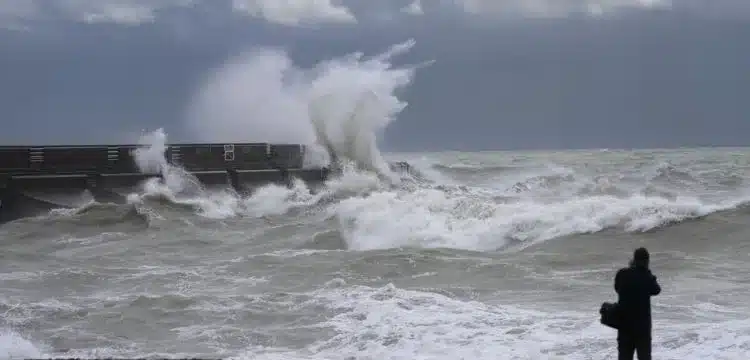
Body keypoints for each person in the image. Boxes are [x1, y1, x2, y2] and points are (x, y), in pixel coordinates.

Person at [614, 247, 661, 360]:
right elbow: (656, 290)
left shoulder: (622, 274)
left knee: (624, 357)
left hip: (624, 325)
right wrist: (648, 272)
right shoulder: (646, 276)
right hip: (642, 328)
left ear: (634, 259)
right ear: (647, 261)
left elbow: (617, 288)